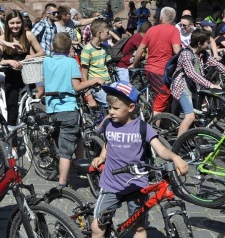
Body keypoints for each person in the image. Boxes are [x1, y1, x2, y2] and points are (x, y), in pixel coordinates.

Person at [90, 81, 188, 238]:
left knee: (139, 227)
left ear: (130, 108)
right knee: (97, 227)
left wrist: (176, 158)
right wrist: (102, 156)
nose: (111, 112)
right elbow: (108, 142)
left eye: (115, 108)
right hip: (111, 184)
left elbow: (161, 149)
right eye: (109, 108)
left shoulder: (142, 127)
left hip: (137, 185)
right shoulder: (109, 123)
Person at [44, 32, 105, 186]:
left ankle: (82, 168)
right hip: (68, 108)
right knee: (66, 151)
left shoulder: (47, 61)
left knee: (77, 137)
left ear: (52, 46)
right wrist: (94, 81)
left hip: (52, 108)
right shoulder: (71, 62)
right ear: (70, 48)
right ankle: (62, 184)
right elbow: (77, 86)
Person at [0, 10, 45, 158]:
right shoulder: (3, 38)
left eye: (18, 22)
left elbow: (41, 52)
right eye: (12, 23)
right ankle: (13, 145)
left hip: (28, 75)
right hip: (11, 77)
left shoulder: (28, 35)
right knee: (12, 111)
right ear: (7, 24)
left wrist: (32, 55)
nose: (15, 26)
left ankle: (33, 140)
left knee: (31, 110)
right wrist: (9, 61)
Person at [171, 29, 224, 137]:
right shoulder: (186, 54)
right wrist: (210, 85)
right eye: (208, 42)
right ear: (199, 43)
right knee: (190, 116)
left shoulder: (202, 54)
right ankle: (178, 146)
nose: (210, 44)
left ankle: (193, 138)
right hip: (182, 86)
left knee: (201, 115)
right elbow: (192, 74)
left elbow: (217, 65)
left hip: (195, 87)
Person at [131, 7, 181, 116]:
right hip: (162, 71)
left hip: (149, 69)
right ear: (173, 19)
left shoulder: (151, 30)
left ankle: (164, 122)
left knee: (160, 96)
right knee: (162, 97)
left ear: (161, 18)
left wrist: (134, 64)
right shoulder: (174, 30)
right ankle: (154, 128)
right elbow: (177, 50)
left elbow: (140, 49)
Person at [81, 19, 111, 108]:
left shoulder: (104, 48)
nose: (109, 35)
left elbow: (108, 64)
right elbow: (83, 75)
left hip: (107, 84)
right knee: (111, 105)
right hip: (96, 87)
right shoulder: (87, 50)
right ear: (99, 33)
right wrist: (89, 96)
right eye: (107, 32)